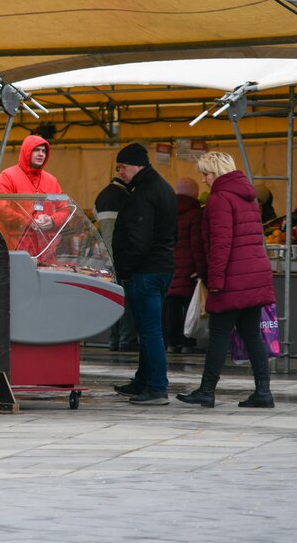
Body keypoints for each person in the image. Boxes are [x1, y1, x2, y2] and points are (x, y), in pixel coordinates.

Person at [177, 151, 277, 409]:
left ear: (217, 172)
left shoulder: (219, 199)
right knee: (251, 334)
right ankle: (264, 392)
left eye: (206, 173)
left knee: (219, 334)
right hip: (254, 274)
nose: (204, 179)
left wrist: (216, 282)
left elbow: (221, 244)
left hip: (232, 276)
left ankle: (207, 390)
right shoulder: (248, 197)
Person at [110, 143, 177, 406]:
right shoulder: (165, 189)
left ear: (137, 165)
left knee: (150, 332)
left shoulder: (143, 193)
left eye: (123, 167)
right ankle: (142, 381)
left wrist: (125, 270)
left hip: (145, 271)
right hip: (163, 267)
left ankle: (158, 387)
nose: (121, 172)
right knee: (149, 329)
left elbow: (138, 240)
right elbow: (174, 233)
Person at [0, 135, 70, 259]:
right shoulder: (7, 176)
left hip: (45, 249)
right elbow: (1, 209)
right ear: (26, 151)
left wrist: (52, 221)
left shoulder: (51, 180)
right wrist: (28, 222)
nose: (41, 154)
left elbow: (65, 209)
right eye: (36, 150)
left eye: (44, 151)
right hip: (16, 247)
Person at [95, 173, 138, 352]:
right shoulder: (128, 197)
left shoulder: (101, 196)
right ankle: (126, 340)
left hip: (106, 258)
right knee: (127, 301)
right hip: (124, 256)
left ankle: (113, 340)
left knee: (112, 300)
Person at [165, 177, 207, 354]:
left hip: (169, 265)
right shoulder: (195, 214)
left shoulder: (167, 211)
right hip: (189, 268)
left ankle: (171, 342)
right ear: (196, 194)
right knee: (189, 307)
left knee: (170, 306)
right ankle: (187, 343)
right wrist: (202, 270)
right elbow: (197, 245)